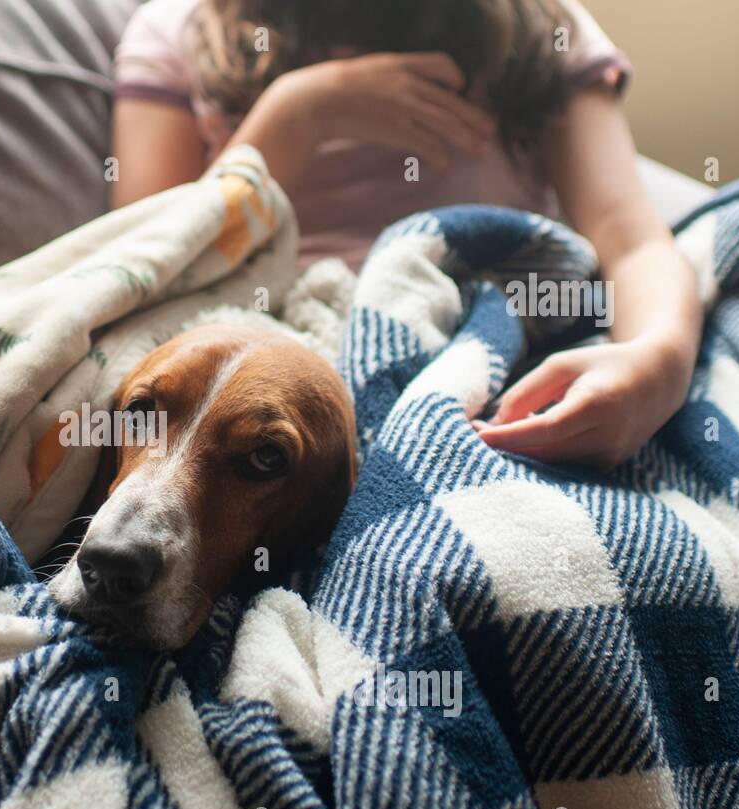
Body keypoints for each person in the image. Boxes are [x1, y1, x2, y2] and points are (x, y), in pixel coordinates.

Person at [110, 0, 703, 469]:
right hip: (283, 382)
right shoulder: (175, 31)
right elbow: (140, 270)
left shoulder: (540, 27)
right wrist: (300, 115)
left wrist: (657, 362)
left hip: (502, 358)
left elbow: (634, 241)